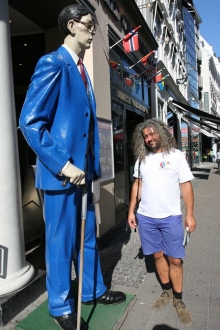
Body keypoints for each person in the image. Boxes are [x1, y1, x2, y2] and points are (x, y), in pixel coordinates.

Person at [19, 5, 125, 330]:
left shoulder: (84, 71)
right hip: (61, 177)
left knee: (88, 238)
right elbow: (30, 122)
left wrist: (89, 167)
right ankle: (59, 305)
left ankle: (92, 289)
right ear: (71, 25)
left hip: (84, 175)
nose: (94, 30)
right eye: (89, 24)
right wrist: (63, 165)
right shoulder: (54, 63)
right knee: (61, 242)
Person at [128, 119, 196, 326]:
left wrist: (190, 214)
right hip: (146, 218)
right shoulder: (142, 160)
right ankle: (166, 291)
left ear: (161, 133)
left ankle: (179, 299)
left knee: (175, 259)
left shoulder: (175, 156)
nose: (149, 138)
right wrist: (131, 211)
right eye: (145, 136)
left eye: (152, 134)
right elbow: (137, 185)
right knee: (157, 255)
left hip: (171, 217)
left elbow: (186, 186)